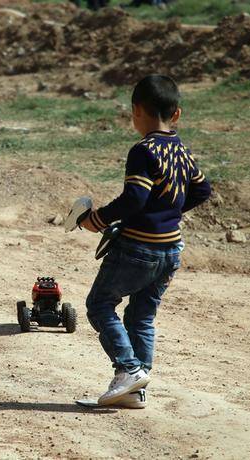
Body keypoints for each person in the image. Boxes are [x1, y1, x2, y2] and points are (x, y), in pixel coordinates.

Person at [80, 75, 211, 407]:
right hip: (172, 249)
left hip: (139, 247)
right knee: (141, 316)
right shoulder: (182, 150)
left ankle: (129, 370)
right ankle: (135, 392)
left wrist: (97, 219)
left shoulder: (143, 151)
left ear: (135, 111)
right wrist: (169, 211)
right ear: (176, 114)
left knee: (99, 305)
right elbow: (202, 189)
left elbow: (135, 198)